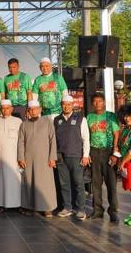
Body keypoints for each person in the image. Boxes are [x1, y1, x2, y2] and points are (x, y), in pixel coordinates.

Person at [18, 100, 57, 217]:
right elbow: (21, 142)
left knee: (46, 183)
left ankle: (47, 208)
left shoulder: (47, 121)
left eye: (35, 109)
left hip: (45, 159)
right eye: (31, 109)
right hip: (28, 159)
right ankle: (31, 207)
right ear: (28, 111)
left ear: (40, 110)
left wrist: (52, 157)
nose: (33, 111)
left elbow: (52, 140)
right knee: (30, 183)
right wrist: (21, 158)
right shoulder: (24, 124)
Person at [54, 95, 90, 221]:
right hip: (60, 156)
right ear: (61, 105)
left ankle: (81, 209)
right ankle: (67, 207)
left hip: (75, 155)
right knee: (64, 183)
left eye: (69, 104)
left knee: (78, 183)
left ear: (72, 105)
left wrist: (85, 155)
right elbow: (54, 140)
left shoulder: (80, 119)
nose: (66, 106)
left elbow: (86, 139)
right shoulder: (57, 120)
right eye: (64, 104)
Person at [87, 93, 120, 223]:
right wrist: (87, 153)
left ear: (104, 102)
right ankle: (97, 211)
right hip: (94, 151)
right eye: (95, 101)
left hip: (108, 151)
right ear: (92, 104)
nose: (97, 104)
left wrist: (115, 152)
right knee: (96, 183)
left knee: (111, 183)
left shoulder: (110, 116)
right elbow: (87, 135)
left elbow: (116, 133)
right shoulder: (89, 117)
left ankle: (113, 212)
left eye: (100, 101)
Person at [0, 99, 22, 212]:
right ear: (0, 109)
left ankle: (17, 205)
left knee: (15, 181)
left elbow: (22, 141)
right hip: (0, 157)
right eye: (3, 108)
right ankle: (1, 205)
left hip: (14, 158)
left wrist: (21, 157)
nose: (5, 110)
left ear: (12, 109)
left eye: (7, 108)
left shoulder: (18, 121)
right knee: (1, 182)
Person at [118, 111, 131, 225]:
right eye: (126, 116)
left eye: (130, 116)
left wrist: (123, 162)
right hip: (126, 163)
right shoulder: (126, 130)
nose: (127, 118)